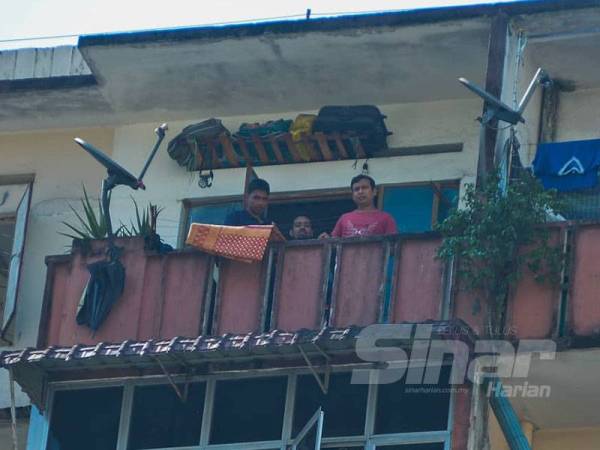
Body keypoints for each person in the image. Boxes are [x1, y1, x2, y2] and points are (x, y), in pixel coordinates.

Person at [320, 174, 397, 238]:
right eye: (356, 189)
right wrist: (326, 239)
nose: (360, 192)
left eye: (364, 188)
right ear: (353, 195)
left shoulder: (386, 218)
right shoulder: (344, 218)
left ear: (374, 192)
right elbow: (333, 244)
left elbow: (393, 247)